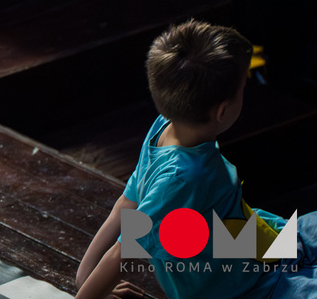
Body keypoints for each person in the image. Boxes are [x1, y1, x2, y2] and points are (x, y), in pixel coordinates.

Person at [74, 20, 317, 299]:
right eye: (243, 88)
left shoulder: (164, 126)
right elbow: (122, 251)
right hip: (252, 287)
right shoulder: (184, 178)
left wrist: (83, 277)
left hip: (265, 243)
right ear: (222, 111)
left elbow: (128, 203)